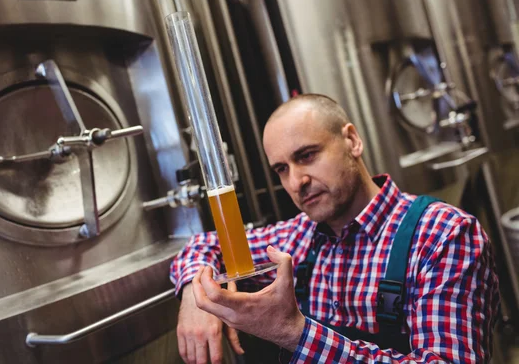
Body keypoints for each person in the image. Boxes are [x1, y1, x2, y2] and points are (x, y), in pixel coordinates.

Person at [170, 93, 500, 364]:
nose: (296, 182)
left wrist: (295, 333)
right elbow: (205, 244)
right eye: (282, 169)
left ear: (352, 141)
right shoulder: (297, 237)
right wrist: (193, 292)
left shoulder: (444, 235)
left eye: (307, 156)